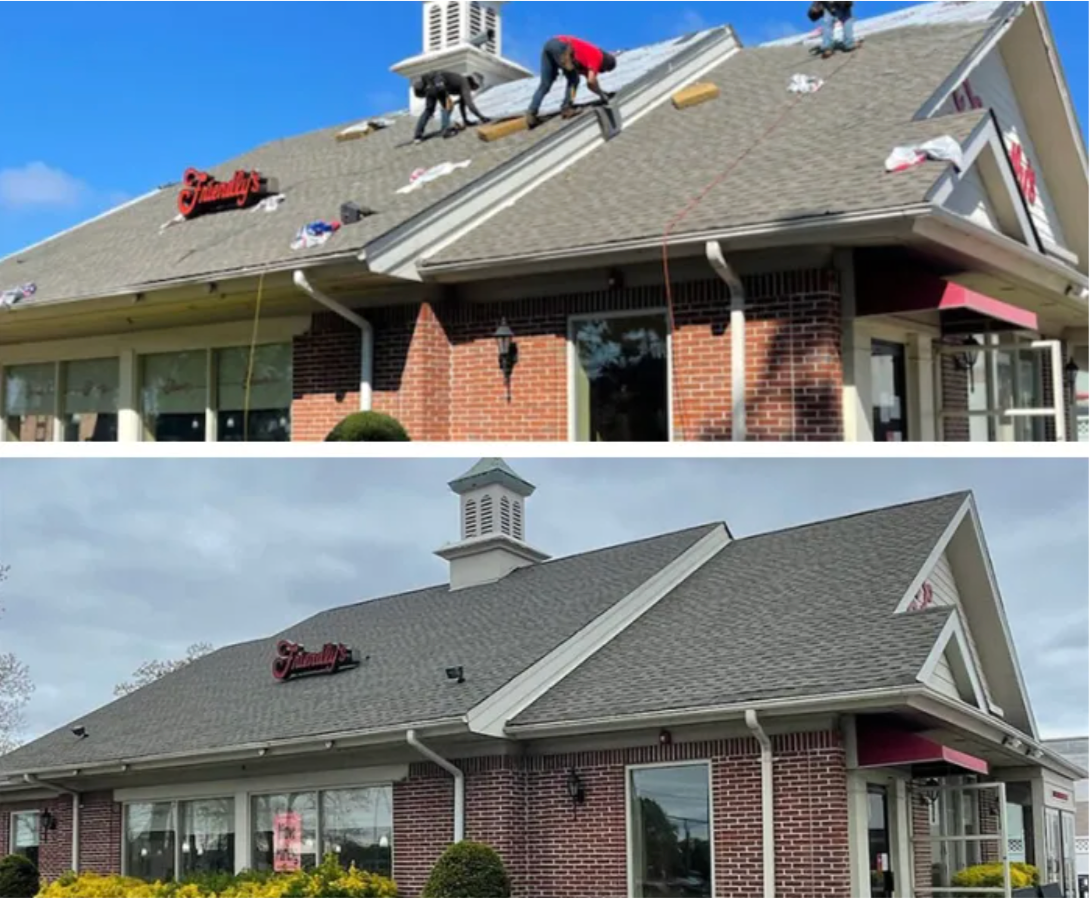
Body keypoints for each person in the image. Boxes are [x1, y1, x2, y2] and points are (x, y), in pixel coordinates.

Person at [526, 36, 617, 128]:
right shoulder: (598, 57)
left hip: (550, 44)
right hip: (563, 47)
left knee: (545, 85)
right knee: (574, 80)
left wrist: (601, 94)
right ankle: (567, 108)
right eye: (604, 70)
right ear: (605, 65)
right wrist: (603, 95)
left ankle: (531, 113)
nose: (601, 72)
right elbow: (591, 81)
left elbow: (591, 84)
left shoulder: (589, 57)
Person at [413, 71, 490, 144]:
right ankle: (445, 130)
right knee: (448, 106)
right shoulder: (464, 83)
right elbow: (469, 104)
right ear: (473, 83)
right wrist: (482, 118)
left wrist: (465, 120)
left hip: (430, 86)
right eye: (476, 87)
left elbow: (462, 103)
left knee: (429, 110)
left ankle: (418, 136)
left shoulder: (460, 81)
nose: (474, 89)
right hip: (438, 84)